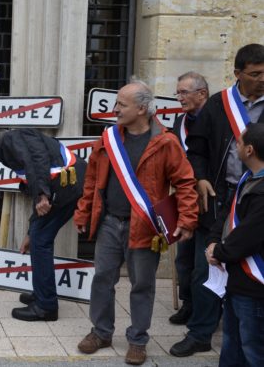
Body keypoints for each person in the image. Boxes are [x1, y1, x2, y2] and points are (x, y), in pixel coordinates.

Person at [73, 80, 198, 366]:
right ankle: (101, 332)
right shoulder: (108, 139)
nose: (115, 109)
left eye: (122, 105)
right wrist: (83, 212)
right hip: (109, 223)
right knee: (103, 278)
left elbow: (185, 182)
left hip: (145, 227)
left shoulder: (166, 142)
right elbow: (92, 179)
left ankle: (138, 340)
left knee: (142, 284)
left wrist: (188, 219)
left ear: (142, 109)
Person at [171, 43, 264, 357]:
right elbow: (196, 150)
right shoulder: (217, 104)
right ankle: (200, 333)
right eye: (255, 74)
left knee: (251, 270)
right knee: (204, 267)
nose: (262, 79)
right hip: (219, 197)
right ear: (238, 74)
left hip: (258, 197)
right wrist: (200, 177)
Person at [0, 128, 86, 322]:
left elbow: (36, 159)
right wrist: (29, 233)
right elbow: (37, 173)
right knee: (38, 239)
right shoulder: (22, 144)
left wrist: (42, 194)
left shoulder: (13, 138)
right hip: (70, 186)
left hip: (65, 187)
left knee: (41, 243)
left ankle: (46, 306)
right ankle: (42, 295)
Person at [205, 123, 264, 367]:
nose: (235, 146)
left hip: (255, 288)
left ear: (249, 150)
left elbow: (250, 234)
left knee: (253, 350)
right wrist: (213, 241)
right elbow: (227, 216)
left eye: (239, 143)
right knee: (232, 345)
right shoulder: (247, 178)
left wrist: (220, 252)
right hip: (237, 281)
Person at [169, 71, 209, 325]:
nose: (179, 97)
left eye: (184, 92)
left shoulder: (218, 119)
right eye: (178, 92)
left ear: (202, 94)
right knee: (183, 257)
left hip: (208, 200)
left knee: (202, 263)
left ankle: (204, 312)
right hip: (184, 200)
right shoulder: (179, 122)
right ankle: (188, 304)